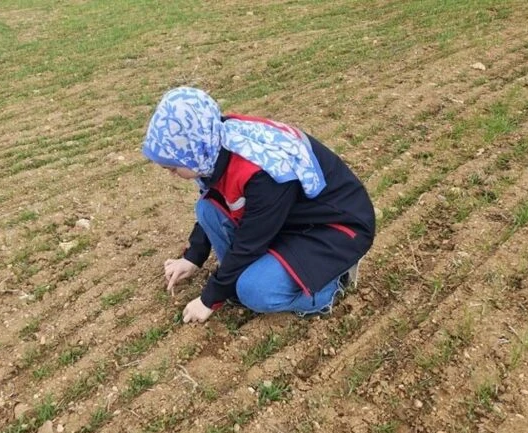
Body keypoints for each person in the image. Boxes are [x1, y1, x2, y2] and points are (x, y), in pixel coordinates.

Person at [142, 87, 375, 323]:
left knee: (254, 292)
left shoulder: (264, 175)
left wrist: (209, 299)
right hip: (287, 220)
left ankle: (330, 285)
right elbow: (216, 197)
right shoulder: (214, 144)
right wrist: (193, 256)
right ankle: (238, 278)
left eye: (172, 167)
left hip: (334, 230)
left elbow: (249, 243)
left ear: (193, 150)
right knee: (207, 209)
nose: (172, 174)